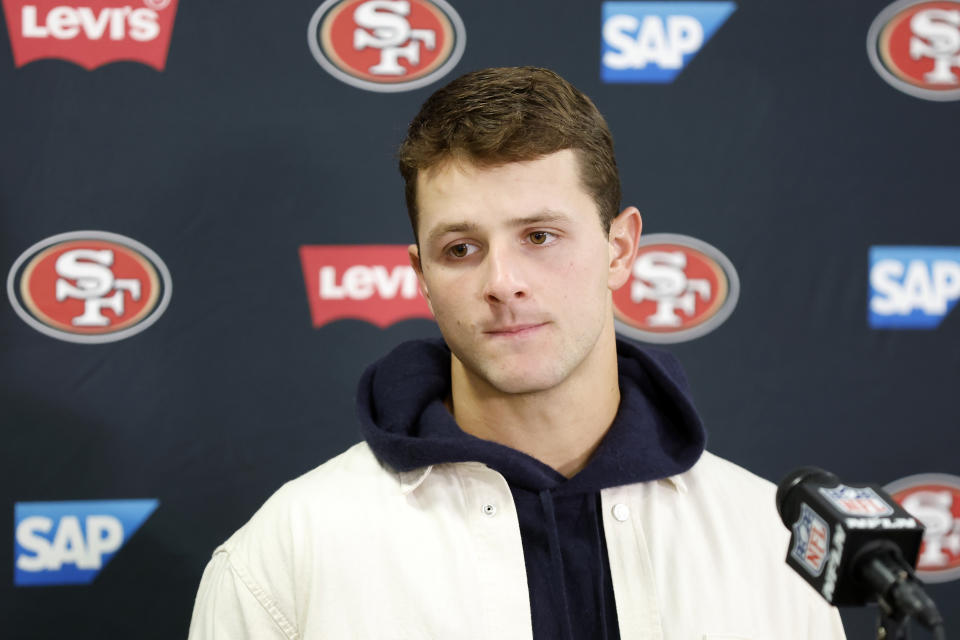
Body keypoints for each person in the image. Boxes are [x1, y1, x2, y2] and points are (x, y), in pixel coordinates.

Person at [188, 66, 846, 639]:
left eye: (539, 235)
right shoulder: (289, 551)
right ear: (421, 276)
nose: (502, 282)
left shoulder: (769, 539)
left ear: (619, 250)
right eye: (461, 249)